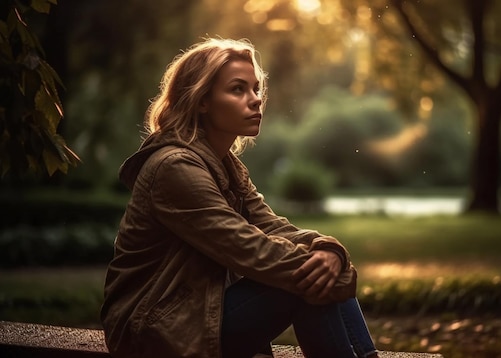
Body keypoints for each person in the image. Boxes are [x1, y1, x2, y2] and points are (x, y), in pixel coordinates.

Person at [100, 37, 379, 358]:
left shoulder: (228, 167)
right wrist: (331, 269)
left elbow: (271, 226)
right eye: (238, 89)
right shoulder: (174, 167)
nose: (256, 100)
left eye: (256, 88)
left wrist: (331, 251)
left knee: (317, 270)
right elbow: (246, 246)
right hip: (152, 324)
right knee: (310, 281)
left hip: (201, 305)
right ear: (202, 100)